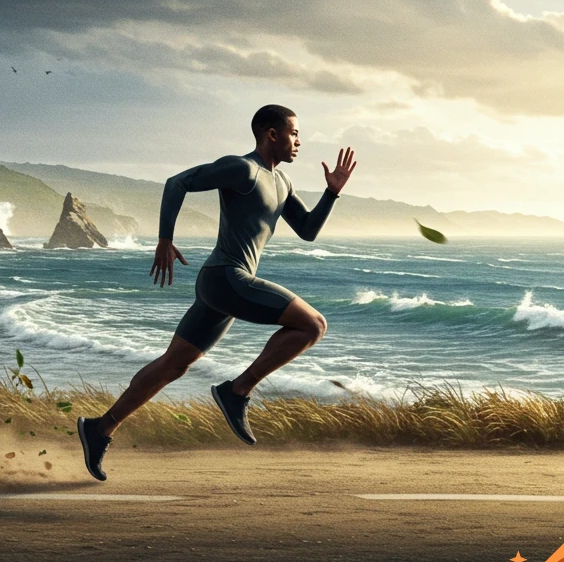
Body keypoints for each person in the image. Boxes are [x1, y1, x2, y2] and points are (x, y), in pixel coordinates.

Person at [78, 104, 357, 480]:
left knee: (173, 364)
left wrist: (331, 193)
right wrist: (165, 240)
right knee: (313, 325)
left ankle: (100, 428)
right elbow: (177, 182)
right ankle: (236, 392)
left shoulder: (282, 182)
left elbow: (307, 230)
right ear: (271, 134)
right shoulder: (243, 169)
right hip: (225, 277)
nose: (299, 141)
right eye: (293, 133)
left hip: (222, 287)